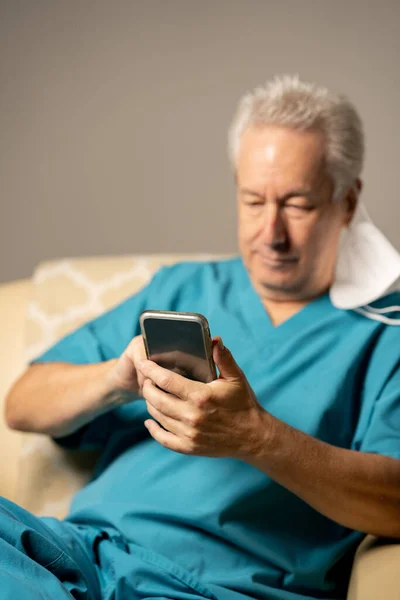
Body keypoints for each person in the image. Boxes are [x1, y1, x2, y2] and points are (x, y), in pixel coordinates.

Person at [3, 75, 400, 600]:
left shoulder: (386, 332)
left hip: (212, 589)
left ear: (347, 202)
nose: (271, 233)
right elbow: (22, 403)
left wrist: (257, 437)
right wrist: (116, 380)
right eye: (254, 201)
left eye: (298, 204)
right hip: (81, 557)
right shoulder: (184, 286)